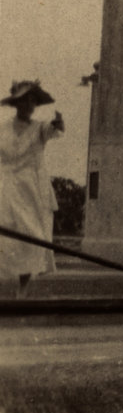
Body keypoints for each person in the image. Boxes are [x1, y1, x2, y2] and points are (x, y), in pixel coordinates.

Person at [0, 81, 64, 299]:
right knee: (6, 238)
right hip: (6, 187)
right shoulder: (3, 129)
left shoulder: (39, 128)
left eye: (32, 101)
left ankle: (22, 290)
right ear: (16, 103)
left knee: (30, 237)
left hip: (31, 190)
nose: (29, 105)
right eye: (25, 101)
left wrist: (58, 121)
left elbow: (55, 129)